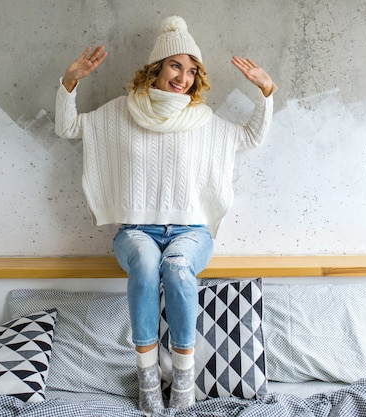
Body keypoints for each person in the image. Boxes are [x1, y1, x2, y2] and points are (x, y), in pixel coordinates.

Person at [55, 16, 275, 413]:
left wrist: (266, 91)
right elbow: (69, 126)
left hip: (191, 232)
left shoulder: (202, 120)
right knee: (144, 261)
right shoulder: (121, 112)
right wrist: (70, 81)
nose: (184, 78)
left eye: (192, 70)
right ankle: (148, 378)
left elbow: (251, 137)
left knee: (174, 267)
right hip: (137, 230)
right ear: (156, 67)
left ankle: (185, 380)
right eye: (176, 66)